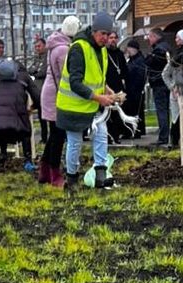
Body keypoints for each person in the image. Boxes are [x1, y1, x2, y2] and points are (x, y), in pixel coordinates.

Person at [57, 12, 117, 189]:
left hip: (92, 105)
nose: (105, 39)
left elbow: (97, 75)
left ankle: (101, 175)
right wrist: (100, 98)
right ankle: (72, 179)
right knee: (75, 142)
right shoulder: (78, 48)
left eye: (108, 34)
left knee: (101, 136)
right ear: (94, 31)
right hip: (73, 106)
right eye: (103, 34)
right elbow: (75, 83)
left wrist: (106, 89)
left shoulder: (102, 50)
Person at [37, 16, 79, 187]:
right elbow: (65, 76)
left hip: (50, 93)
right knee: (58, 135)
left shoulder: (55, 44)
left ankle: (44, 171)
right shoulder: (63, 49)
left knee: (54, 135)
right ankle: (55, 173)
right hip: (56, 95)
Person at [0, 61, 39, 176]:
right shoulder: (20, 85)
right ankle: (28, 161)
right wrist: (34, 107)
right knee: (26, 132)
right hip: (16, 125)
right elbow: (34, 99)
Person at [144, 29, 171, 147]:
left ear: (155, 36)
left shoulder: (159, 50)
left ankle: (163, 137)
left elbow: (150, 63)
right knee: (165, 110)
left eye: (150, 37)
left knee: (161, 110)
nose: (148, 39)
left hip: (159, 83)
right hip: (166, 83)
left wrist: (149, 57)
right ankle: (166, 134)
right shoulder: (167, 47)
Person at [104, 30, 130, 144]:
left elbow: (124, 71)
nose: (113, 40)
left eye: (115, 38)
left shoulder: (119, 54)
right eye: (111, 38)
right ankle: (108, 136)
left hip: (118, 87)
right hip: (107, 87)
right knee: (107, 113)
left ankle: (116, 135)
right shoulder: (104, 53)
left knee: (118, 113)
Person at [123, 39, 148, 139]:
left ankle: (135, 131)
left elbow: (136, 74)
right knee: (134, 111)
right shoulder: (135, 59)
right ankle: (135, 130)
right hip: (132, 89)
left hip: (135, 90)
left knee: (134, 111)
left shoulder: (139, 61)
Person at [28, 35, 49, 145]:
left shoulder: (47, 57)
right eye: (36, 47)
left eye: (39, 46)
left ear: (44, 46)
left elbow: (42, 72)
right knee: (42, 117)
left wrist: (36, 71)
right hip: (37, 91)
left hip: (46, 89)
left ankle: (50, 137)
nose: (37, 48)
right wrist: (36, 70)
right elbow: (30, 69)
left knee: (49, 116)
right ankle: (44, 137)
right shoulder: (37, 58)